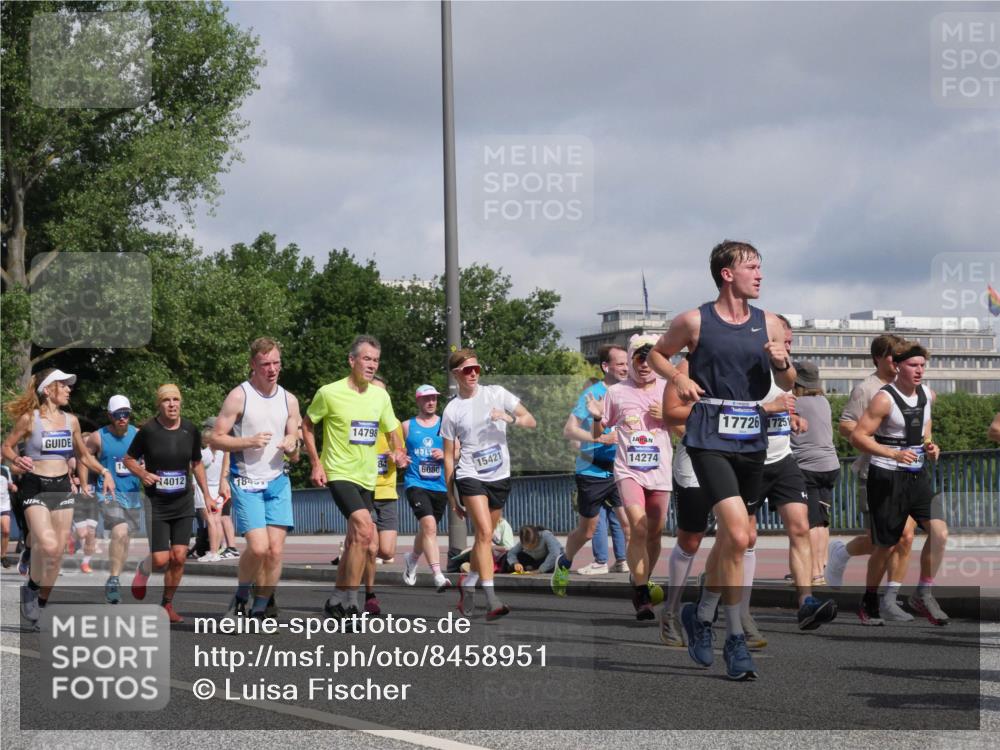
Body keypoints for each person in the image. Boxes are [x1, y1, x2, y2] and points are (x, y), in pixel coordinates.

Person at [646, 240, 795, 681]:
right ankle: (732, 638)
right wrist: (678, 376)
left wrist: (783, 361)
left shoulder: (767, 322)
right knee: (733, 530)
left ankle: (700, 611)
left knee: (742, 536)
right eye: (752, 267)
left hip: (753, 439)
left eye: (761, 268)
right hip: (709, 436)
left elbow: (787, 379)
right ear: (727, 273)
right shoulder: (694, 320)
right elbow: (657, 353)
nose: (760, 275)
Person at [303, 335, 407, 623]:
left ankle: (336, 598)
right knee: (365, 528)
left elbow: (391, 428)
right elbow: (308, 424)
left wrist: (398, 449)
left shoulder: (380, 396)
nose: (372, 365)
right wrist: (316, 463)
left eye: (375, 360)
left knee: (355, 541)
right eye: (366, 359)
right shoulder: (329, 392)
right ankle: (350, 603)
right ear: (352, 361)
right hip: (338, 472)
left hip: (367, 477)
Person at [744, 316, 837, 633]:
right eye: (783, 340)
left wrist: (792, 418)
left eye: (790, 341)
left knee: (800, 527)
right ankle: (727, 596)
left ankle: (806, 603)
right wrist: (770, 410)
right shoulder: (745, 370)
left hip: (783, 459)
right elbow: (729, 414)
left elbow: (786, 403)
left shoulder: (789, 374)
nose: (788, 346)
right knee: (745, 537)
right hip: (750, 461)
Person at [2, 369, 116, 628]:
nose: (68, 389)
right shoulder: (29, 419)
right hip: (35, 486)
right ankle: (32, 578)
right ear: (48, 389)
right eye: (63, 385)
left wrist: (104, 471)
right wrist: (16, 459)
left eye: (68, 386)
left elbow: (84, 456)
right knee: (50, 545)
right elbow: (6, 446)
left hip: (62, 487)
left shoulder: (71, 421)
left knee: (56, 555)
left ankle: (38, 599)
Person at [849, 340, 949, 626]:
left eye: (922, 366)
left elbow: (926, 429)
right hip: (887, 476)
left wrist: (930, 445)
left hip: (917, 475)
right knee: (887, 544)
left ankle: (923, 592)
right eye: (913, 365)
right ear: (898, 366)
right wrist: (893, 452)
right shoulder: (884, 398)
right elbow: (859, 436)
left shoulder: (928, 395)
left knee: (940, 533)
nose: (919, 371)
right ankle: (869, 601)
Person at [577, 334, 671, 621]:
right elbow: (597, 434)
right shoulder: (616, 393)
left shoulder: (669, 389)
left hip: (661, 471)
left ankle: (641, 577)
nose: (643, 365)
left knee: (656, 532)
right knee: (639, 527)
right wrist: (595, 418)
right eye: (638, 358)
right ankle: (642, 593)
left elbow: (686, 425)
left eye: (649, 358)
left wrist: (667, 414)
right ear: (630, 360)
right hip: (628, 471)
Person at [826, 334, 918, 622]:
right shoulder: (866, 389)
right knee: (882, 539)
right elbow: (845, 425)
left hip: (909, 472)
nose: (898, 361)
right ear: (878, 358)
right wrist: (876, 438)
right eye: (893, 356)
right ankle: (843, 552)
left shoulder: (909, 387)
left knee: (905, 536)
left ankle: (891, 599)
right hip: (875, 471)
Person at [442, 348, 536, 621]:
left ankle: (468, 583)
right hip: (470, 475)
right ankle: (492, 599)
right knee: (483, 532)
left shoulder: (496, 393)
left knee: (487, 536)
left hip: (499, 475)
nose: (472, 374)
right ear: (455, 374)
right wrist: (451, 496)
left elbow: (531, 420)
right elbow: (449, 456)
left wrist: (510, 418)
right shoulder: (452, 410)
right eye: (466, 370)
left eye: (476, 369)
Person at [213, 337, 301, 621]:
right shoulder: (239, 396)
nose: (272, 369)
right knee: (259, 547)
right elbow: (215, 438)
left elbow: (296, 451)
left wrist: (292, 444)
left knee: (275, 551)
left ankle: (261, 609)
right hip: (247, 482)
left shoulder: (289, 400)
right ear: (253, 365)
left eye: (276, 363)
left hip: (277, 482)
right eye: (265, 364)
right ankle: (240, 597)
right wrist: (247, 441)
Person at [124, 384, 213, 624]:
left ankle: (166, 604)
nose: (172, 404)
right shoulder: (149, 431)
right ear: (159, 404)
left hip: (183, 501)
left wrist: (207, 495)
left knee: (180, 555)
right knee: (161, 560)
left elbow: (196, 464)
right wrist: (143, 475)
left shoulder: (190, 430)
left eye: (175, 399)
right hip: (158, 503)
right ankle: (144, 569)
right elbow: (129, 459)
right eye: (166, 400)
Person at [657, 355, 722, 648]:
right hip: (695, 456)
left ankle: (732, 614)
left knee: (741, 536)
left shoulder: (747, 361)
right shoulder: (686, 367)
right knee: (692, 540)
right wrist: (711, 411)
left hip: (735, 456)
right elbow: (671, 414)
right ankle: (670, 611)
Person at [556, 344, 631, 580]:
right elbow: (569, 431)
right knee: (587, 531)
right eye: (620, 363)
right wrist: (597, 437)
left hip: (622, 470)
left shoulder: (631, 391)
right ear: (605, 366)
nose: (625, 368)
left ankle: (641, 582)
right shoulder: (593, 393)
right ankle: (565, 560)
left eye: (627, 363)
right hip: (592, 471)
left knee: (631, 526)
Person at [80, 396, 143, 604]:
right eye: (118, 414)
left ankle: (113, 576)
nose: (122, 418)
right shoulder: (98, 437)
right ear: (110, 415)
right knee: (120, 530)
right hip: (108, 493)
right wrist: (83, 482)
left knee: (125, 539)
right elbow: (83, 456)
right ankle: (115, 579)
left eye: (126, 413)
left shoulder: (138, 435)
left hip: (132, 494)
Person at [789, 361, 841, 584]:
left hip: (806, 467)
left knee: (808, 522)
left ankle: (812, 571)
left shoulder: (795, 403)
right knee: (821, 521)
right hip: (830, 465)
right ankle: (821, 569)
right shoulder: (823, 401)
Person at [362, 374, 409, 615]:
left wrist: (398, 458)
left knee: (387, 551)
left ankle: (353, 554)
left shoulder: (395, 426)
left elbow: (402, 458)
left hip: (388, 492)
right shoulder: (360, 424)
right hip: (365, 492)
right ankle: (370, 595)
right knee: (371, 548)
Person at [401, 384, 453, 592]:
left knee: (427, 529)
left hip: (440, 485)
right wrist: (401, 458)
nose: (431, 402)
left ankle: (412, 558)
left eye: (434, 398)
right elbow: (397, 449)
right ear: (418, 401)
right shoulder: (407, 426)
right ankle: (438, 575)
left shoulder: (445, 424)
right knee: (430, 527)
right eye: (426, 398)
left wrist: (446, 454)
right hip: (416, 483)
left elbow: (458, 449)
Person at [189, 418, 228, 562]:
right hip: (218, 490)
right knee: (217, 521)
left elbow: (194, 469)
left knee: (210, 522)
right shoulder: (223, 455)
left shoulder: (203, 454)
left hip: (204, 490)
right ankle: (216, 550)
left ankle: (212, 551)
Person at [0, 464, 14, 567]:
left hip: (4, 505)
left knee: (6, 531)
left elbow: (10, 484)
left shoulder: (5, 470)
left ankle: (3, 556)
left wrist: (13, 487)